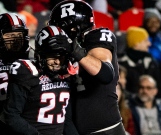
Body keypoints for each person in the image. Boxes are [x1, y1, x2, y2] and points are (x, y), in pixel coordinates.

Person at [48, 0, 126, 134]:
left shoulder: (98, 37)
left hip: (106, 130)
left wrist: (75, 50)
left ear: (73, 27)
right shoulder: (62, 48)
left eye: (60, 27)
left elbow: (105, 74)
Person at [2, 25, 79, 135]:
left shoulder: (66, 75)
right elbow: (11, 115)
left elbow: (66, 119)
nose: (57, 62)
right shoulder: (27, 72)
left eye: (61, 57)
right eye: (53, 56)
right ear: (41, 55)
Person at [118, 26, 161, 96]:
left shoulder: (152, 63)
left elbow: (159, 87)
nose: (149, 44)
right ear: (136, 44)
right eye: (146, 41)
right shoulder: (120, 64)